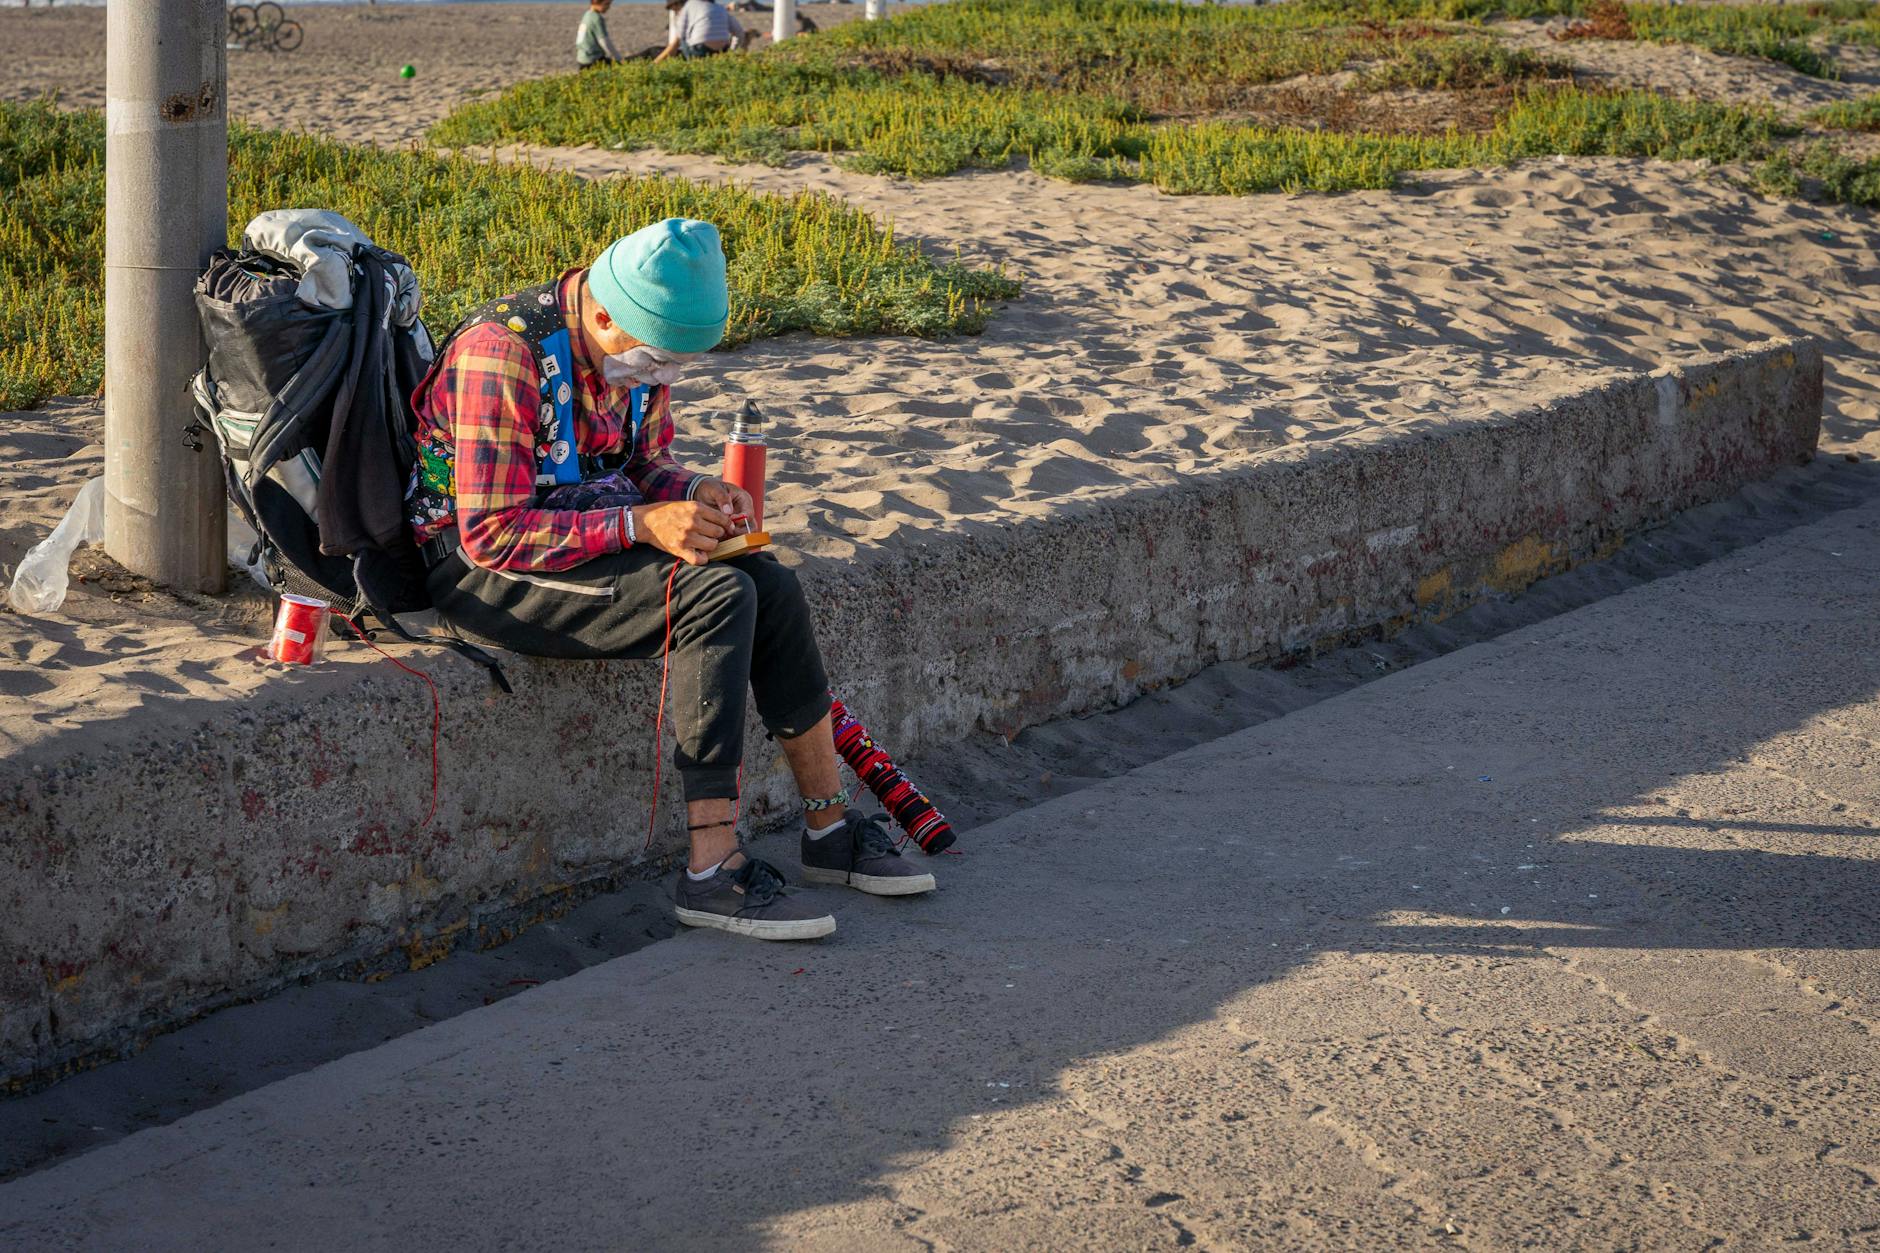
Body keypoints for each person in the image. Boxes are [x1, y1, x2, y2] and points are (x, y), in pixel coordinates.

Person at [405, 219, 937, 941]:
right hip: (482, 571)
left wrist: (693, 490)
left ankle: (829, 827)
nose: (663, 379)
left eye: (676, 367)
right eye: (656, 360)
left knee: (767, 582)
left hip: (578, 533)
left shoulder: (631, 355)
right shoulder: (503, 356)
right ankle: (710, 866)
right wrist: (643, 526)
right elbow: (491, 535)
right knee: (715, 597)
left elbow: (639, 465)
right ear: (601, 314)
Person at [653, 0, 746, 63]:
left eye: (676, 10)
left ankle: (690, 64)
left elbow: (677, 41)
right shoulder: (720, 8)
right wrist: (731, 51)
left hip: (700, 49)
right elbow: (739, 32)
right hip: (722, 50)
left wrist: (656, 63)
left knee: (683, 40)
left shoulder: (689, 6)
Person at [575, 0, 623, 70]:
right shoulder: (596, 18)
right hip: (593, 61)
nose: (608, 7)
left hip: (582, 60)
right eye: (606, 4)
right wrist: (618, 58)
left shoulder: (587, 15)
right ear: (597, 3)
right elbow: (604, 42)